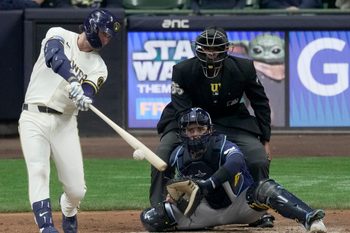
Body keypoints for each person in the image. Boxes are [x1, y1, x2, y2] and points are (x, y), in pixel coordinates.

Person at [150, 26, 273, 227]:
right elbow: (182, 110)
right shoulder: (182, 70)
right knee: (161, 157)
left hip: (231, 120)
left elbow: (260, 103)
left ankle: (257, 211)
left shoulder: (244, 68)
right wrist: (193, 138)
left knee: (258, 159)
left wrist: (265, 140)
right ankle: (160, 211)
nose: (211, 53)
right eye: (206, 48)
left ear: (226, 49)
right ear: (197, 48)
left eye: (216, 48)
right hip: (189, 121)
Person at [141, 107, 327, 233]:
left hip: (239, 207)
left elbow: (236, 161)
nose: (195, 133)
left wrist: (209, 183)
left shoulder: (222, 144)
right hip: (204, 214)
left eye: (200, 128)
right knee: (151, 217)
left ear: (209, 130)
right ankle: (198, 226)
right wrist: (173, 197)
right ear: (183, 132)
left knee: (265, 188)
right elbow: (174, 187)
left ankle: (309, 218)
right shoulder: (178, 155)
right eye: (191, 130)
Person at [18, 9, 120, 233]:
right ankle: (46, 227)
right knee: (38, 171)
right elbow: (54, 56)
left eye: (109, 37)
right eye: (104, 34)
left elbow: (89, 89)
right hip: (33, 117)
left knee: (77, 191)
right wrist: (72, 79)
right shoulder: (59, 33)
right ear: (91, 27)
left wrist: (85, 97)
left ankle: (69, 209)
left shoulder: (99, 66)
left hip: (65, 123)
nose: (106, 39)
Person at [259, 0, 323, 9]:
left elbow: (314, 1)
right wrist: (285, 9)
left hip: (305, 14)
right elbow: (267, 2)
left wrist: (300, 9)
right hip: (279, 14)